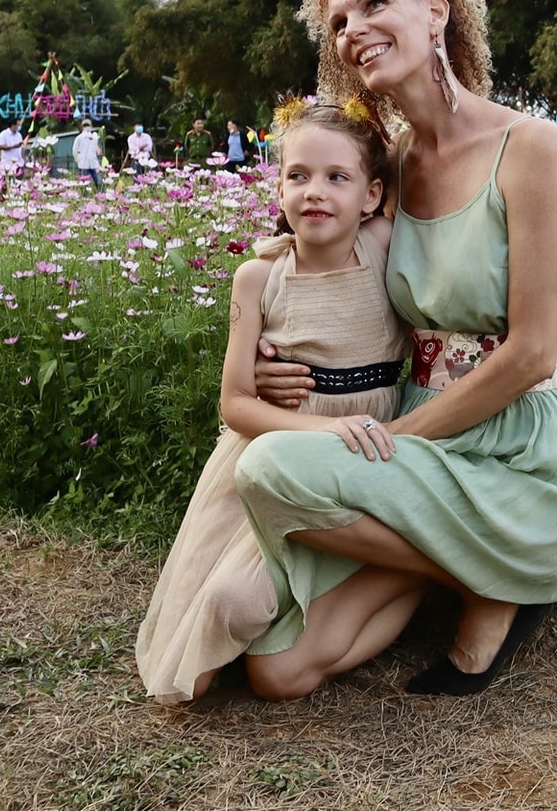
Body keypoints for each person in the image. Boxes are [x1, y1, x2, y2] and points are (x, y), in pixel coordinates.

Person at [235, 0, 557, 699]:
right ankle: (481, 575)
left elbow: (533, 352)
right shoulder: (393, 164)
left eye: (374, 5)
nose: (351, 30)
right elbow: (344, 267)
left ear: (435, 14)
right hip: (420, 428)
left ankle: (509, 576)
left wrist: (393, 446)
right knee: (276, 672)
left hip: (520, 441)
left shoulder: (531, 146)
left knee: (267, 466)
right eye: (339, 20)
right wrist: (276, 346)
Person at [136, 101, 410, 704]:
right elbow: (234, 404)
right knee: (209, 643)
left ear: (371, 196)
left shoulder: (384, 244)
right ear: (278, 186)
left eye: (337, 177)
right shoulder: (258, 278)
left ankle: (410, 583)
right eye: (298, 175)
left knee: (266, 663)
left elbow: (419, 158)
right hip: (273, 451)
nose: (315, 192)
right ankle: (272, 608)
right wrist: (317, 429)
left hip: (362, 451)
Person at [72, 120, 104, 191]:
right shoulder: (79, 138)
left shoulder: (95, 137)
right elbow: (75, 150)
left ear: (91, 126)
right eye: (85, 126)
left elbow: (97, 149)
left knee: (98, 181)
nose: (87, 128)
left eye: (88, 126)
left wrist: (99, 151)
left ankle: (102, 193)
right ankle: (84, 196)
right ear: (82, 127)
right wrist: (78, 160)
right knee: (84, 183)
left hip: (93, 163)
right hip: (83, 164)